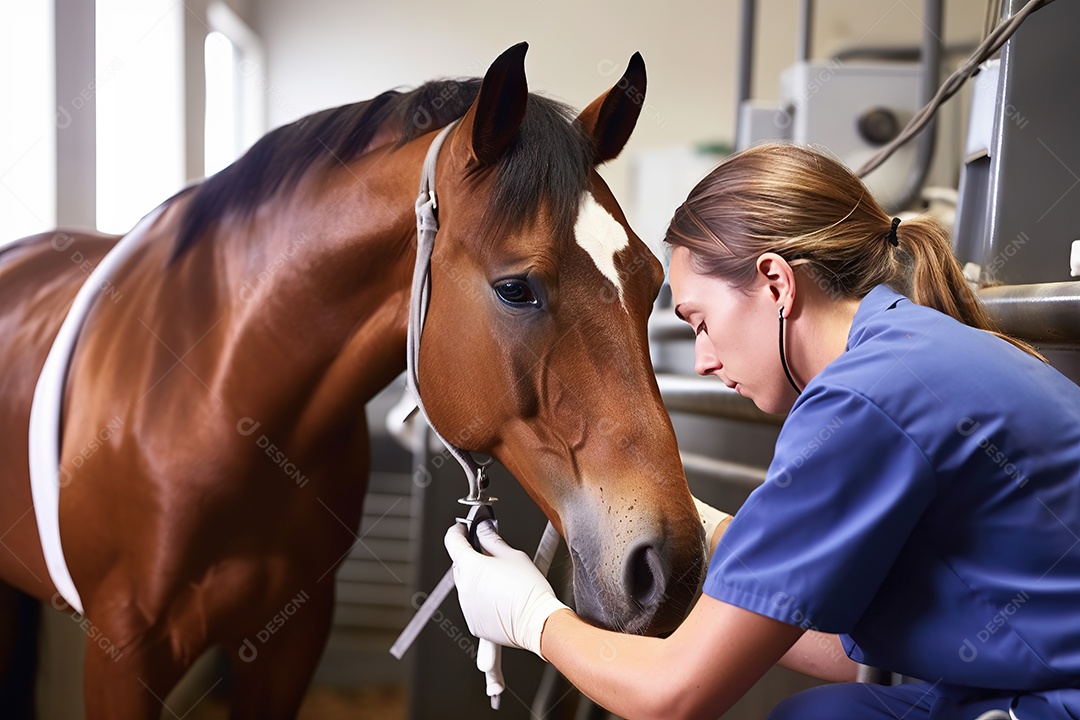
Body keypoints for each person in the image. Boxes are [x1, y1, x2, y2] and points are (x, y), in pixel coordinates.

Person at [444, 142, 1080, 720]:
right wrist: (716, 533)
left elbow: (675, 695)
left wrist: (532, 618)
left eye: (699, 321)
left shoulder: (864, 400)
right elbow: (850, 653)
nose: (702, 360)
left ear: (775, 283)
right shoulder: (903, 353)